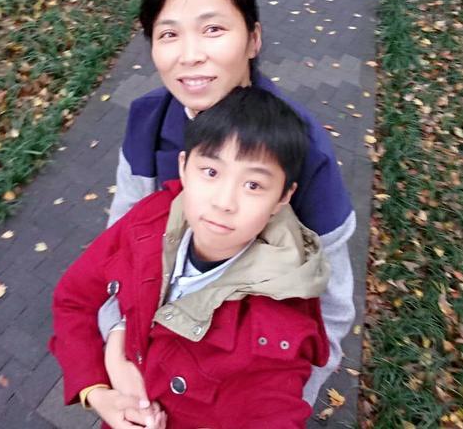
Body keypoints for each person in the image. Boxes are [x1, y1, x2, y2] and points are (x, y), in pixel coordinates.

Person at [104, 0, 356, 404]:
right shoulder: (147, 123)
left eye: (213, 29)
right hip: (149, 364)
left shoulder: (300, 147)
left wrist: (286, 404)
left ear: (253, 39)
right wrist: (115, 345)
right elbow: (116, 247)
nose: (190, 55)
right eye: (169, 34)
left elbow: (331, 306)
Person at [50, 87, 331, 428]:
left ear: (283, 197)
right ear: (183, 167)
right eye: (211, 172)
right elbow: (73, 299)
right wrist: (96, 392)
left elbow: (275, 411)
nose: (224, 202)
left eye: (253, 185)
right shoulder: (148, 220)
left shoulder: (276, 326)